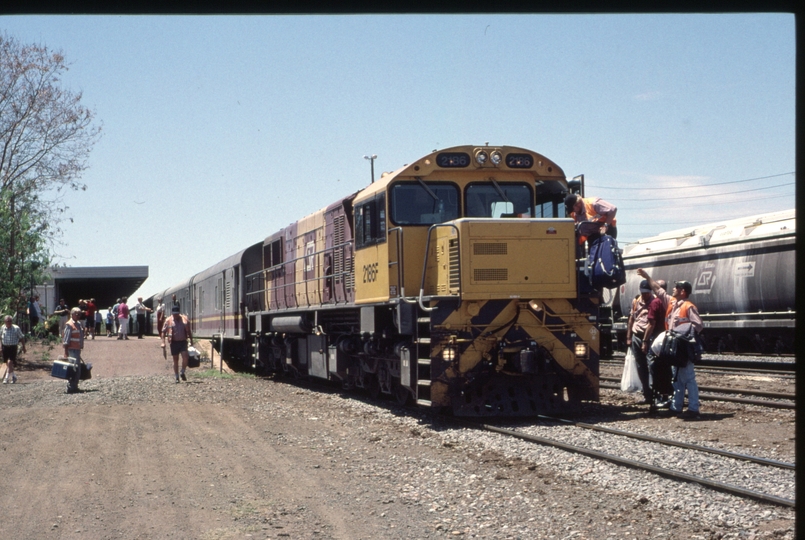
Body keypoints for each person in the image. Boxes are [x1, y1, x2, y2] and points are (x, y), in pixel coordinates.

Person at [665, 280, 703, 419]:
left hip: (684, 347)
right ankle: (676, 407)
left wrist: (683, 334)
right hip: (675, 346)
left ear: (683, 291)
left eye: (677, 287)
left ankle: (693, 409)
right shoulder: (675, 305)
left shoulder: (688, 306)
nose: (673, 289)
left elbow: (698, 325)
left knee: (688, 378)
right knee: (677, 378)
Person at [624, 280, 655, 406]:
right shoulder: (636, 301)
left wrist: (645, 341)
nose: (645, 295)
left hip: (649, 336)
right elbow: (631, 319)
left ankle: (655, 393)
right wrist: (628, 336)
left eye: (647, 293)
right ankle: (646, 393)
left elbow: (653, 322)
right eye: (643, 292)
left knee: (652, 365)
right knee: (640, 366)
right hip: (637, 335)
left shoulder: (654, 301)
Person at [162, 305, 193, 383]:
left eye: (177, 314)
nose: (175, 316)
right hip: (174, 342)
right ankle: (176, 377)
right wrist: (163, 342)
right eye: (174, 314)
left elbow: (189, 331)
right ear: (172, 313)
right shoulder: (168, 320)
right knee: (175, 360)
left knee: (185, 357)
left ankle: (182, 371)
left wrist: (191, 340)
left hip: (183, 341)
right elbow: (163, 332)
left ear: (179, 313)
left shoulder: (184, 319)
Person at [62, 307, 84, 394]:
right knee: (73, 369)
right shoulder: (69, 324)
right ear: (72, 314)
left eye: (80, 314)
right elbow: (66, 339)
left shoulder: (78, 324)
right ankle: (71, 387)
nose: (78, 315)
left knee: (77, 368)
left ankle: (75, 385)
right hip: (72, 350)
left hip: (77, 349)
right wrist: (66, 351)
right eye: (77, 314)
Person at [2, 315, 26, 384]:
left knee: (10, 362)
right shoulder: (2, 328)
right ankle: (14, 376)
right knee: (7, 363)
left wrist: (24, 347)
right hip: (5, 347)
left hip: (13, 347)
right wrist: (0, 347)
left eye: (10, 321)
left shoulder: (16, 328)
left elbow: (21, 337)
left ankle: (6, 378)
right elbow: (0, 338)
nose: (9, 322)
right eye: (7, 321)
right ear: (5, 322)